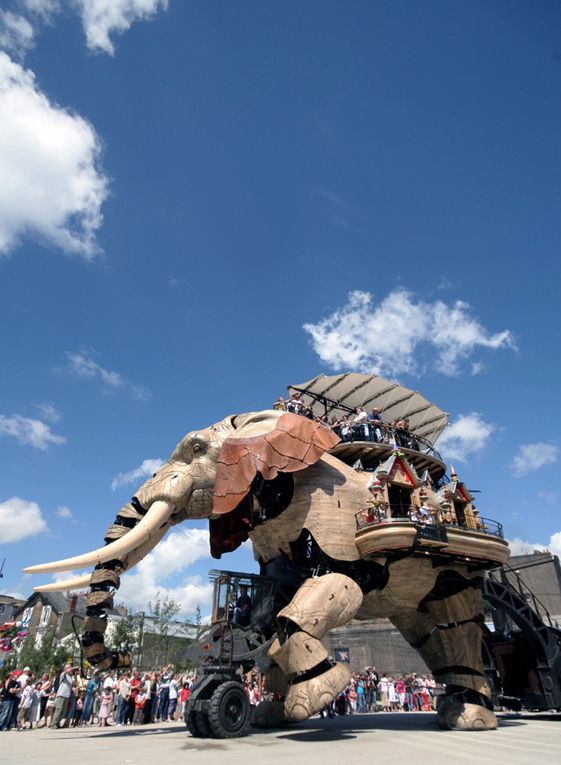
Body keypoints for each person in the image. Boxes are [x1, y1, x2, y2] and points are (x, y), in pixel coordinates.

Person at [50, 664, 76, 729]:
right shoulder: (63, 675)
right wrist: (72, 668)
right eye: (69, 668)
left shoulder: (70, 677)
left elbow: (74, 683)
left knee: (63, 711)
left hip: (67, 695)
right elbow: (66, 672)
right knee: (59, 709)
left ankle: (58, 723)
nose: (71, 669)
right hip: (61, 694)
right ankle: (53, 724)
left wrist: (74, 676)